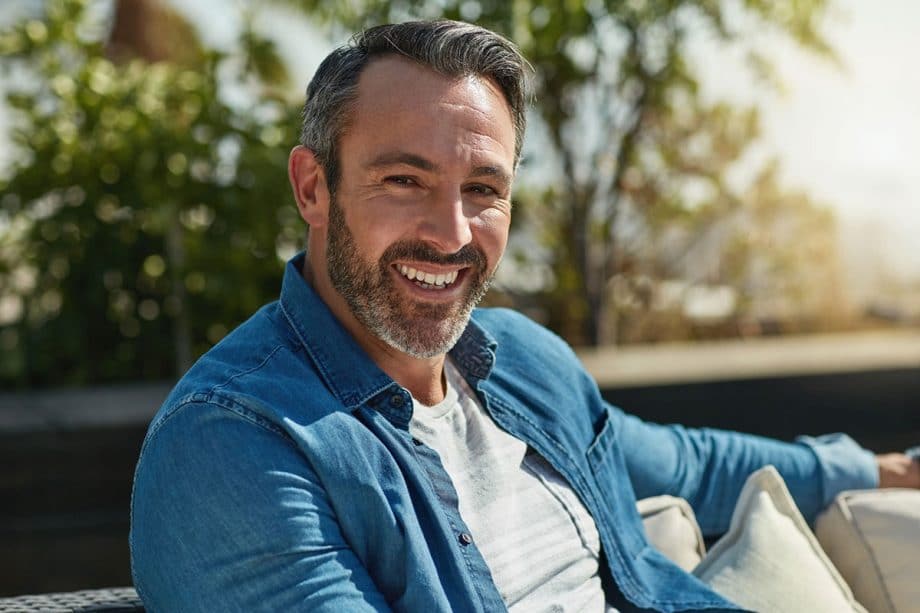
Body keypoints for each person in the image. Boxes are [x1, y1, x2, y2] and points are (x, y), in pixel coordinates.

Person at [130, 20, 920, 612]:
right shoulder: (234, 440)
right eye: (404, 180)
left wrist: (880, 469)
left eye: (484, 188)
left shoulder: (521, 360)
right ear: (313, 187)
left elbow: (681, 463)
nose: (451, 232)